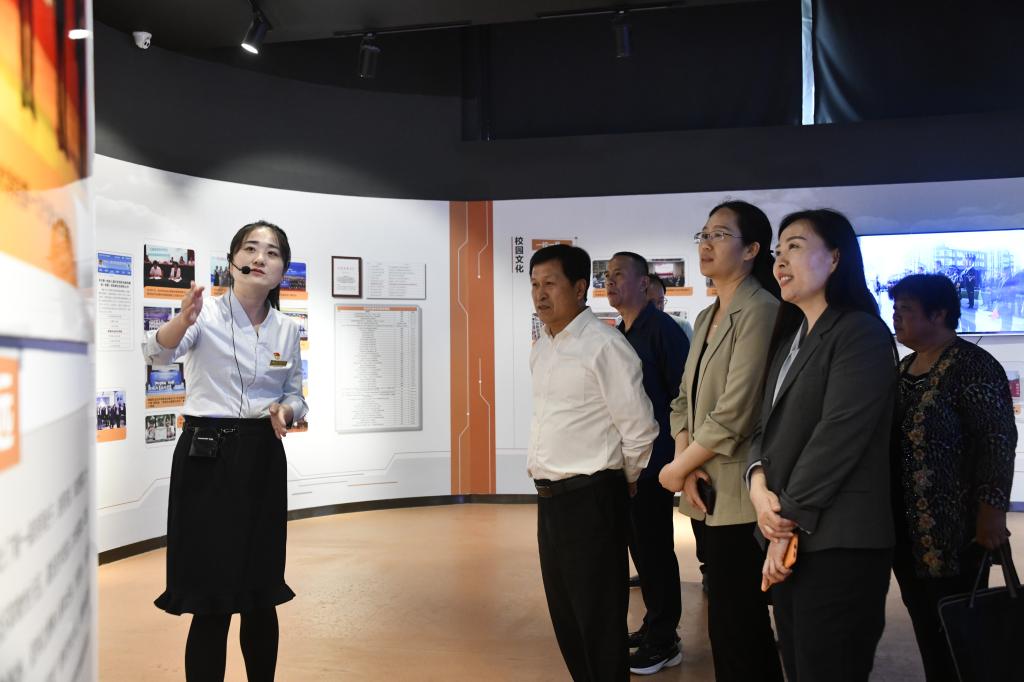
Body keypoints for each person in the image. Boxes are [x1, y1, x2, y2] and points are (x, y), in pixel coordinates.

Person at [143, 220, 306, 682]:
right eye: (250, 248)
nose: (260, 258)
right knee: (210, 599)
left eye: (272, 252)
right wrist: (182, 320)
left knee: (260, 594)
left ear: (282, 270)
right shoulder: (205, 315)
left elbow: (296, 394)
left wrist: (286, 411)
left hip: (262, 457)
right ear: (232, 261)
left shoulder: (286, 329)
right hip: (206, 458)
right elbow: (155, 353)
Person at [747, 209, 897, 682]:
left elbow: (837, 438)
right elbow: (763, 429)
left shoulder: (860, 332)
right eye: (778, 251)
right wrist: (757, 486)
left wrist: (782, 525)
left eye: (794, 246)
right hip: (793, 535)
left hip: (840, 543)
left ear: (835, 258)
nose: (780, 261)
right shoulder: (791, 338)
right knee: (800, 665)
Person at [659, 200, 783, 682]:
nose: (706, 244)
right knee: (725, 623)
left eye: (720, 235)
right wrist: (686, 464)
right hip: (705, 489)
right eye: (704, 234)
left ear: (752, 250)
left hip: (740, 495)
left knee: (741, 622)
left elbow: (735, 412)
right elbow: (682, 402)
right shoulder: (708, 315)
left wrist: (676, 470)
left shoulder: (762, 310)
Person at [528, 243, 659, 682]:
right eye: (535, 285)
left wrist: (624, 479)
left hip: (592, 498)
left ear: (580, 287)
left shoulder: (605, 346)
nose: (540, 294)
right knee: (566, 617)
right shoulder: (543, 348)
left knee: (599, 620)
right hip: (550, 500)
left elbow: (640, 428)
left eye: (550, 283)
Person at [888, 274, 1015, 682]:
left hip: (956, 530)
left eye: (906, 310)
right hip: (906, 531)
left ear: (939, 314)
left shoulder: (973, 365)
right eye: (895, 309)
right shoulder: (904, 367)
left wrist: (992, 512)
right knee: (926, 626)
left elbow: (996, 440)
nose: (896, 317)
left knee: (961, 628)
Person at [605, 252, 689, 675]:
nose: (609, 281)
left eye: (619, 274)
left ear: (644, 283)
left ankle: (665, 638)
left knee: (655, 550)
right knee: (641, 547)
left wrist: (678, 461)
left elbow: (683, 398)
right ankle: (655, 623)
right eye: (606, 275)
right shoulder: (622, 333)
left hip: (656, 463)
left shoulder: (662, 331)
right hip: (630, 464)